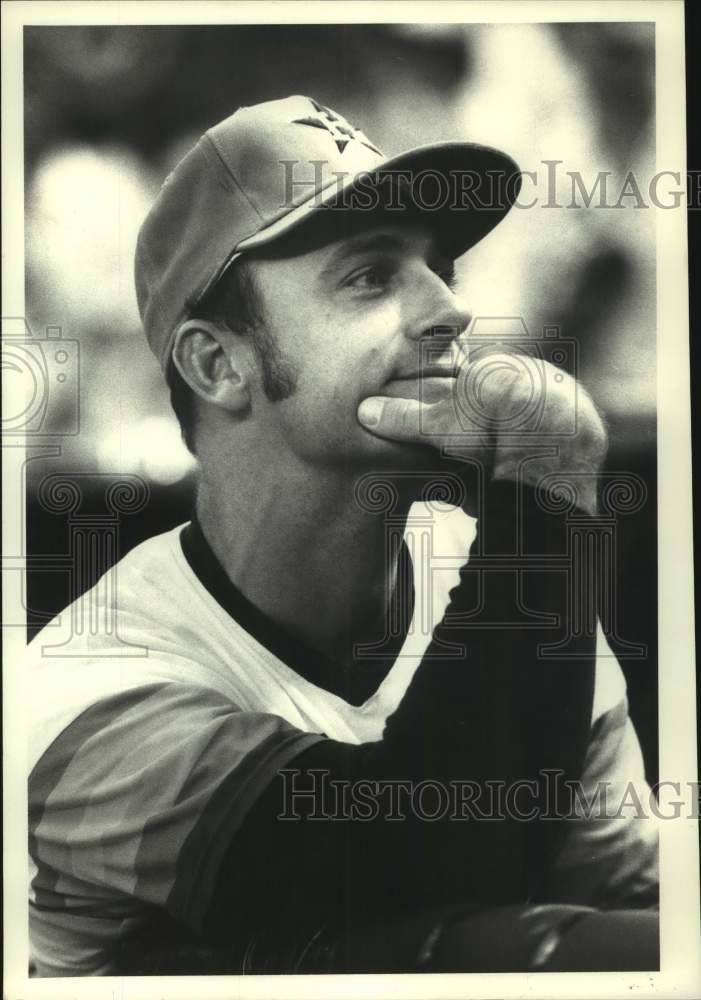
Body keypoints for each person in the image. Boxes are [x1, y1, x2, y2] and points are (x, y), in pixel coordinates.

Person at [26, 96, 658, 977]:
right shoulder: (81, 690)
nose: (449, 309)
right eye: (369, 276)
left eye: (440, 268)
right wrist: (547, 471)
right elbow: (412, 872)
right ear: (218, 364)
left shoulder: (492, 569)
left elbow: (639, 913)